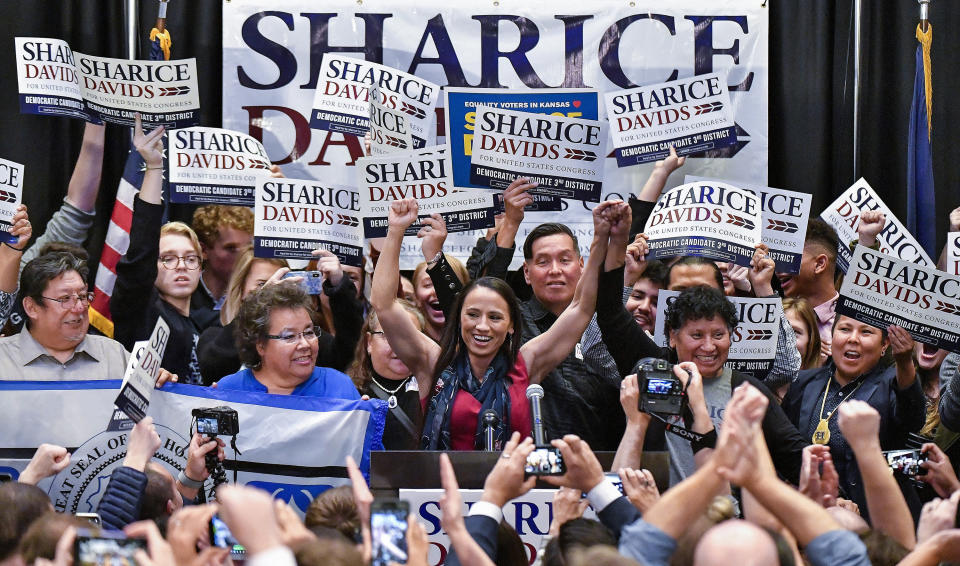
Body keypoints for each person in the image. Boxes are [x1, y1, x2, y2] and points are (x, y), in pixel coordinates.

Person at [370, 198, 616, 450]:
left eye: (495, 317)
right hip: (443, 485)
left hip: (515, 486)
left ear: (511, 325)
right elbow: (384, 304)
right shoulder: (433, 363)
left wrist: (600, 237)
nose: (483, 326)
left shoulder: (526, 364)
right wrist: (396, 231)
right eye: (473, 315)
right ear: (458, 318)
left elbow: (581, 307)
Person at [461, 178, 626, 450]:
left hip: (601, 461)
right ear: (526, 272)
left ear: (582, 265)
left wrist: (611, 238)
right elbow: (485, 288)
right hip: (527, 465)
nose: (555, 270)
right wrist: (511, 222)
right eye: (542, 262)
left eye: (564, 260)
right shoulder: (512, 322)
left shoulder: (606, 321)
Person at [782, 317, 926, 519]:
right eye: (844, 329)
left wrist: (904, 363)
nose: (853, 339)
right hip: (812, 514)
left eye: (866, 332)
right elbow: (783, 451)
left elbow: (914, 419)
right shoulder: (805, 382)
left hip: (878, 521)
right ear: (832, 336)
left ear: (884, 344)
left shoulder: (893, 384)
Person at [112, 116, 219, 384]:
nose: (181, 265)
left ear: (201, 267)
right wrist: (154, 166)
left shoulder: (205, 325)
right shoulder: (141, 310)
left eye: (190, 258)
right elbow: (139, 256)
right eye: (167, 259)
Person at [198, 246, 362, 384]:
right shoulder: (214, 337)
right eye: (263, 284)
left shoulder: (305, 341)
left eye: (281, 283)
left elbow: (348, 353)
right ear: (241, 290)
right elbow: (212, 368)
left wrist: (340, 286)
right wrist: (257, 304)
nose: (272, 292)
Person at [217, 280, 359, 398]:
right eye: (289, 336)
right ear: (260, 345)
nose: (304, 344)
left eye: (309, 332)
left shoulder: (339, 388)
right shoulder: (230, 391)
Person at [0, 252, 129, 381]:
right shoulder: (4, 359)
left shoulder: (115, 356)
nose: (79, 307)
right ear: (31, 307)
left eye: (83, 296)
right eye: (65, 298)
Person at [348, 305, 426, 449]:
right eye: (389, 335)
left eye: (410, 335)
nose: (401, 345)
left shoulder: (436, 389)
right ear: (369, 342)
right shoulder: (350, 392)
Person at [190, 205, 254, 312]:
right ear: (203, 251)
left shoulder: (253, 299)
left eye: (248, 249)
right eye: (231, 248)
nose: (244, 257)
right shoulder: (183, 296)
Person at [783, 297, 823, 373]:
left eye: (795, 332)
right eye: (779, 331)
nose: (785, 340)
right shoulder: (754, 381)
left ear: (811, 340)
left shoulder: (824, 383)